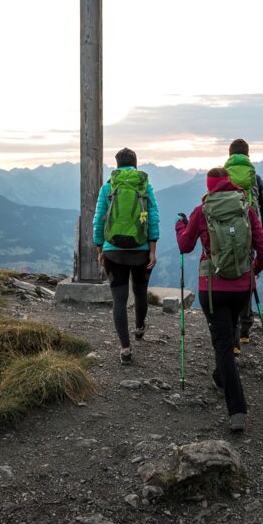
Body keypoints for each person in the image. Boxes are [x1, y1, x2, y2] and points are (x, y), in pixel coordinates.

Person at [176, 167, 263, 432]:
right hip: (242, 288)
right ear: (229, 184)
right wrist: (254, 269)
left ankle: (237, 408)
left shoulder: (201, 211)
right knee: (228, 335)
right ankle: (220, 376)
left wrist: (180, 225)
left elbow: (185, 246)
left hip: (212, 289)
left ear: (209, 187)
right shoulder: (246, 210)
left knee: (223, 344)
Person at [93, 148, 160, 365]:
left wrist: (99, 248)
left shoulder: (108, 187)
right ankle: (139, 327)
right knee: (140, 293)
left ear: (117, 164)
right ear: (135, 164)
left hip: (113, 252)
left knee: (119, 300)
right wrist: (152, 250)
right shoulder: (144, 185)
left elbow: (99, 219)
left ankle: (125, 348)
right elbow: (153, 218)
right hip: (140, 251)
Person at [223, 138, 263, 351]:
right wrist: (262, 228)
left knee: (226, 276)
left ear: (230, 155)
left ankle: (231, 333)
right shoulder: (255, 178)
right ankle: (245, 329)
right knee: (246, 274)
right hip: (249, 234)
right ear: (248, 155)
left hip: (224, 235)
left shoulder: (222, 177)